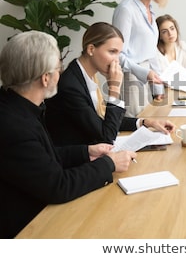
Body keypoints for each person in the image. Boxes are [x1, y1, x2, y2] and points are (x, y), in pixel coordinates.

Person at [0, 31, 137, 238]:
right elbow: (58, 186)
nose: (61, 73)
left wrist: (86, 152)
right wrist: (109, 164)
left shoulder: (16, 105)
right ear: (46, 78)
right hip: (28, 229)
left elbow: (43, 158)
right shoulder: (15, 125)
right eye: (58, 68)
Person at [45, 22, 175, 146]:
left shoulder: (88, 75)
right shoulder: (71, 85)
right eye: (112, 52)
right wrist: (114, 88)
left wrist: (145, 122)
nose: (116, 60)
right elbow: (106, 136)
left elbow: (103, 121)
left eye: (119, 53)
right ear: (91, 49)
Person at [112, 0, 170, 117]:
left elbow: (151, 53)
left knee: (151, 125)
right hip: (130, 78)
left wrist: (158, 88)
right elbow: (117, 55)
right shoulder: (126, 9)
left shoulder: (150, 10)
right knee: (136, 128)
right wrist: (145, 74)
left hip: (148, 78)